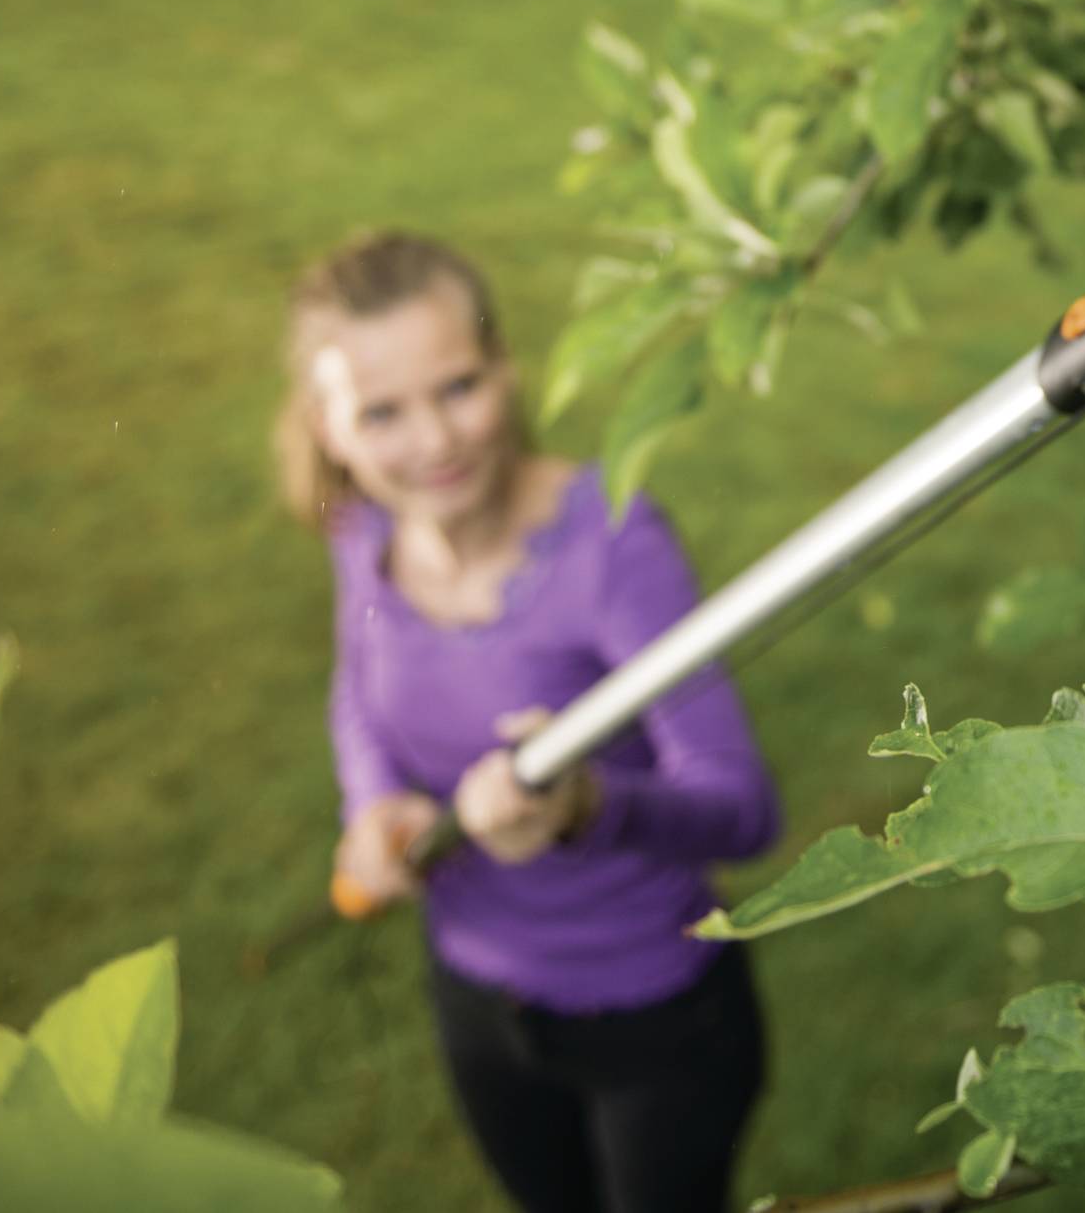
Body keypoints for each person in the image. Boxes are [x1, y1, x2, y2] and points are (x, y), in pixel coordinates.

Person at [273, 231, 780, 1213]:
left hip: (657, 1018)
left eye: (457, 386)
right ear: (328, 426)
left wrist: (585, 804)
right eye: (381, 411)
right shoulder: (364, 527)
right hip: (475, 999)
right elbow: (356, 689)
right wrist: (371, 804)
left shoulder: (615, 540)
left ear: (507, 368)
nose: (433, 441)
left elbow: (744, 808)